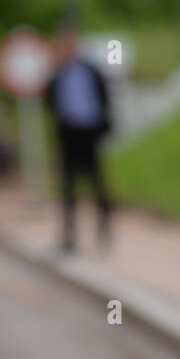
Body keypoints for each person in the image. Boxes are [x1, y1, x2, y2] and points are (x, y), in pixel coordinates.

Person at [44, 29, 112, 252]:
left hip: (89, 132)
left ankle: (104, 229)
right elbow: (50, 102)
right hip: (68, 134)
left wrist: (103, 126)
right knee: (68, 186)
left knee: (97, 183)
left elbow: (104, 98)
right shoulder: (57, 74)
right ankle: (69, 235)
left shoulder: (91, 71)